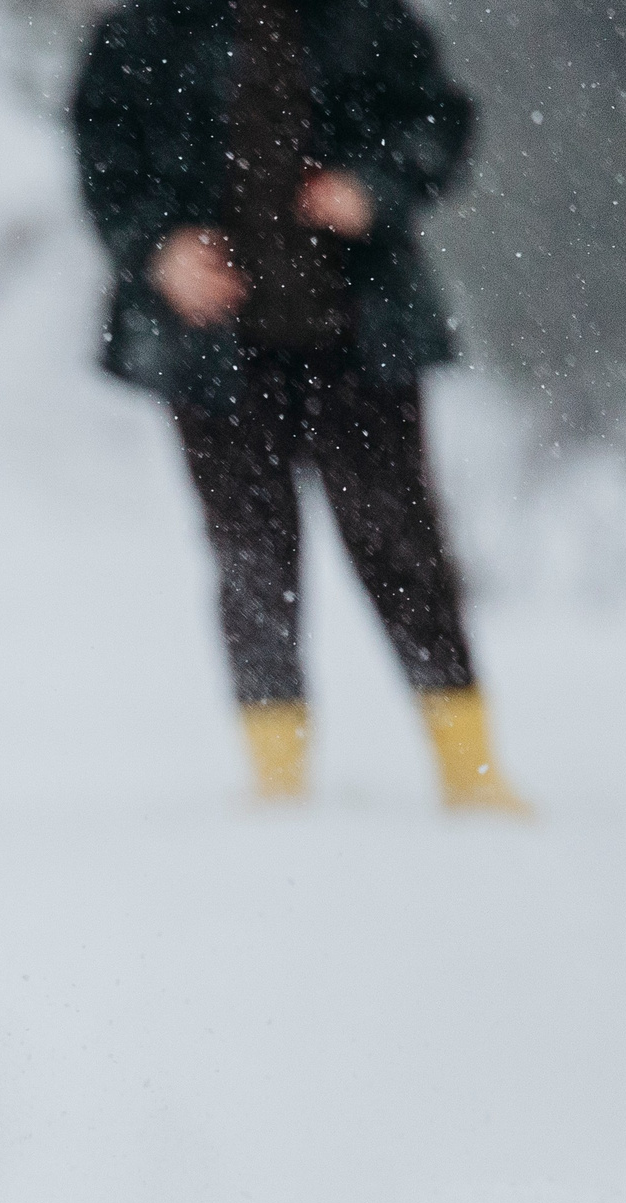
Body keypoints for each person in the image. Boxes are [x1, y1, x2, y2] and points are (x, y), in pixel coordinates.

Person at [71, 0, 527, 811]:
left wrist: (373, 187)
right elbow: (107, 170)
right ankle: (277, 781)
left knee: (400, 545)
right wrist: (160, 249)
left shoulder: (366, 17)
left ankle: (472, 771)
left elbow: (442, 123)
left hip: (360, 331)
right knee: (251, 556)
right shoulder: (137, 32)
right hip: (212, 346)